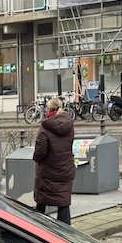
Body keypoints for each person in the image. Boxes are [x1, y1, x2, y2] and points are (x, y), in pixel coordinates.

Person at [32, 96, 76, 225]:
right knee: (63, 200)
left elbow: (40, 151)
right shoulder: (69, 125)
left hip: (48, 170)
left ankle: (38, 227)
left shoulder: (45, 127)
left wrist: (36, 158)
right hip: (65, 168)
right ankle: (65, 229)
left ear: (49, 109)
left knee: (42, 200)